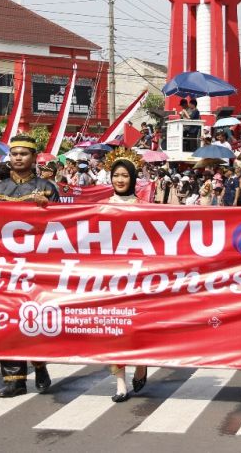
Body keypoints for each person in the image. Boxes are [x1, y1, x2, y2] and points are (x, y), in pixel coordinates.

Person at [0, 135, 58, 398]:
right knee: (7, 321)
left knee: (34, 320)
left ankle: (40, 365)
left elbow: (64, 226)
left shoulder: (47, 187)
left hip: (36, 266)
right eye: (14, 154)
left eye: (24, 154)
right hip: (5, 266)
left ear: (34, 158)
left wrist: (49, 209)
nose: (18, 158)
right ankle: (14, 380)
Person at [101, 148, 150, 402]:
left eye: (125, 175)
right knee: (115, 328)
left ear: (133, 178)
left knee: (139, 327)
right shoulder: (100, 208)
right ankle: (120, 382)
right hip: (111, 278)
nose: (120, 180)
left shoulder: (146, 208)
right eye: (116, 175)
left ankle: (141, 363)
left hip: (139, 277)